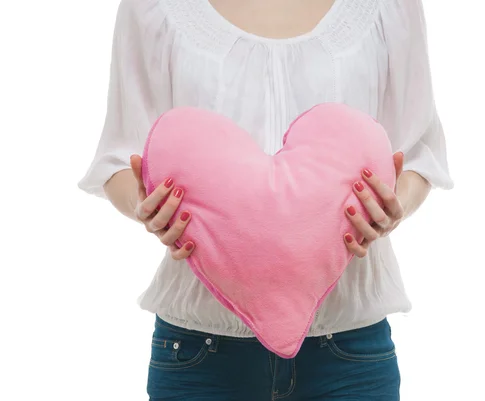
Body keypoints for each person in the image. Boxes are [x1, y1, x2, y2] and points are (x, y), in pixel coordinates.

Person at [78, 0, 454, 399]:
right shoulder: (154, 8)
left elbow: (418, 152)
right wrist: (145, 206)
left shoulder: (388, 7)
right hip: (200, 354)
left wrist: (393, 206)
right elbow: (118, 158)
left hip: (349, 354)